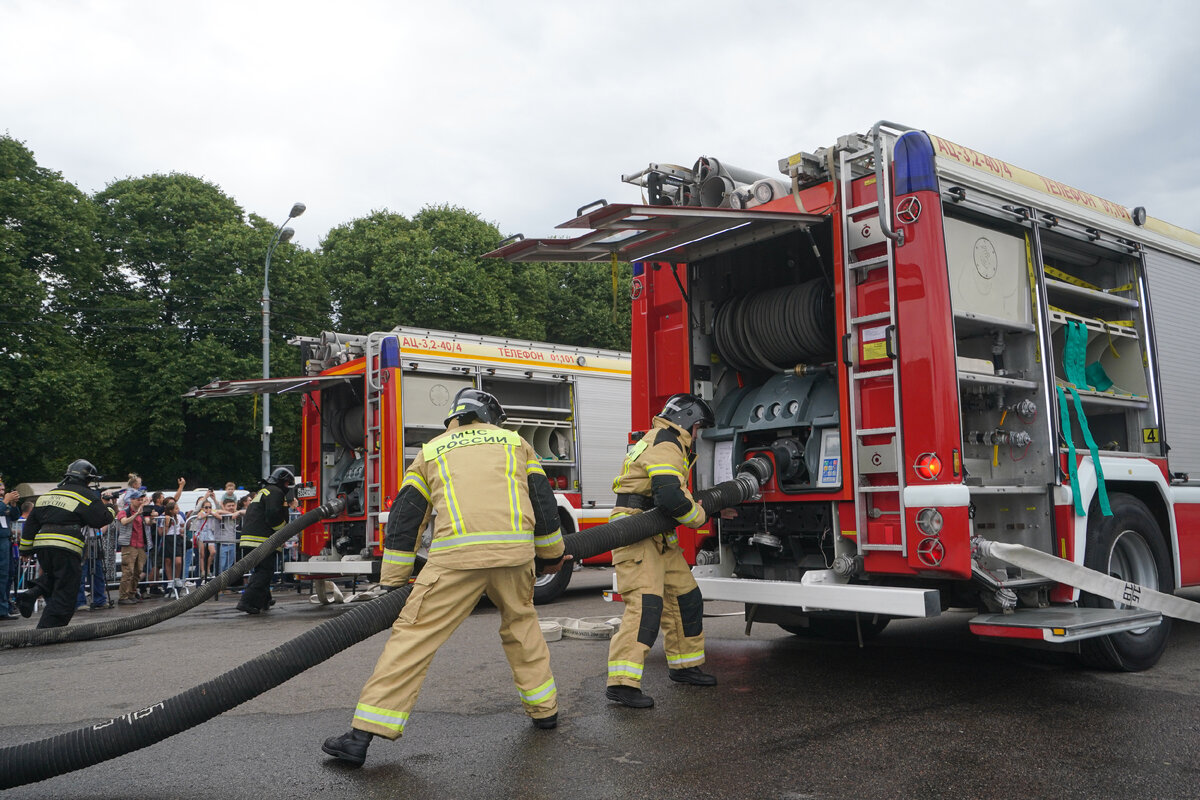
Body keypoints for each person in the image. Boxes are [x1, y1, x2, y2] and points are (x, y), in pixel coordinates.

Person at [323, 388, 565, 767]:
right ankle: (545, 711)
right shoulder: (516, 443)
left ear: (454, 416)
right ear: (489, 416)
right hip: (515, 558)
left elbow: (406, 519)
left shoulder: (432, 450)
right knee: (522, 626)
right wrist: (552, 555)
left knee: (414, 636)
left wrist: (394, 581)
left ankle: (360, 737)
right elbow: (543, 502)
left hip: (456, 560)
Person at [604, 393, 719, 709]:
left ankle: (685, 666)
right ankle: (622, 684)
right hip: (638, 531)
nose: (697, 435)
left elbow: (672, 493)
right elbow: (669, 495)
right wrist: (698, 517)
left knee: (685, 598)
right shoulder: (667, 443)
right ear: (688, 421)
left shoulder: (662, 440)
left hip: (657, 533)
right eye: (698, 427)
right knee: (646, 606)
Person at [16, 460, 116, 627]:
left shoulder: (48, 495)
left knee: (57, 577)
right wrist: (111, 508)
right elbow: (101, 520)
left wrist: (25, 550)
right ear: (87, 479)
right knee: (67, 592)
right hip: (66, 546)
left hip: (43, 547)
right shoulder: (86, 495)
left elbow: (31, 524)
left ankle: (34, 591)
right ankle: (46, 632)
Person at [236, 469, 292, 614]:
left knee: (263, 570)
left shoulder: (264, 491)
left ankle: (264, 599)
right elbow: (273, 514)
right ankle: (247, 601)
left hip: (252, 538)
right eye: (287, 483)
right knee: (265, 571)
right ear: (281, 481)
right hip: (262, 539)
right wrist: (282, 531)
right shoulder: (275, 492)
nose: (287, 486)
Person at [115, 490, 153, 605]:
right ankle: (123, 596)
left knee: (138, 571)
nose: (140, 501)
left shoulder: (142, 512)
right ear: (131, 500)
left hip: (141, 545)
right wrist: (136, 514)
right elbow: (124, 522)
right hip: (129, 545)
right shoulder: (124, 512)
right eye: (138, 499)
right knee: (128, 571)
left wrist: (150, 517)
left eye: (142, 499)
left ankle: (132, 593)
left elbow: (148, 523)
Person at [0, 480, 20, 620]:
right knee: (1, 574)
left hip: (6, 540)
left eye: (3, 487)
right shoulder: (2, 503)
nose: (2, 489)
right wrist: (5, 501)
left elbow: (14, 516)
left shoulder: (3, 503)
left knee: (8, 574)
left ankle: (5, 607)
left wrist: (13, 504)